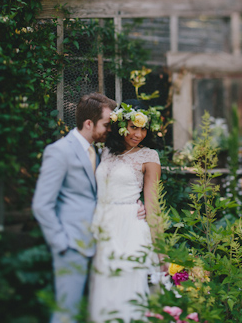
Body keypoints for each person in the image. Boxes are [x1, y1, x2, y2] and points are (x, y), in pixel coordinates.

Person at [32, 93, 146, 323]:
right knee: (67, 311)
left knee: (96, 311)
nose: (110, 130)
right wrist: (61, 244)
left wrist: (132, 204)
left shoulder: (100, 152)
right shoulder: (60, 151)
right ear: (88, 123)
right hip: (72, 245)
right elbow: (42, 204)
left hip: (100, 244)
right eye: (106, 125)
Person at [88, 99, 165, 323]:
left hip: (130, 228)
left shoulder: (149, 157)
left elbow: (153, 205)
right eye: (133, 127)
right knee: (102, 293)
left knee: (127, 293)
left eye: (143, 128)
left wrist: (162, 252)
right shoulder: (104, 151)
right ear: (122, 125)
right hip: (102, 228)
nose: (138, 134)